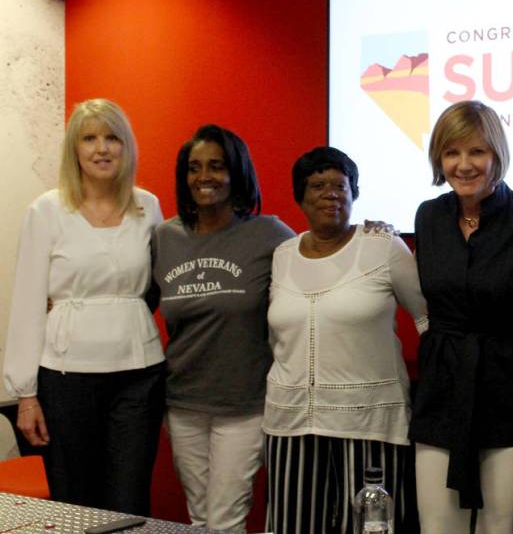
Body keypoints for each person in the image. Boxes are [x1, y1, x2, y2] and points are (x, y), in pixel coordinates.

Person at [411, 100, 513, 534]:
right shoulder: (428, 217)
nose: (463, 164)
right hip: (443, 392)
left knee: (500, 527)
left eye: (476, 152)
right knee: (437, 526)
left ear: (496, 154)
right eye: (451, 153)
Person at [3, 99, 165, 514]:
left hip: (138, 375)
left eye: (112, 138)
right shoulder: (47, 210)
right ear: (74, 149)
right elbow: (26, 303)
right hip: (65, 377)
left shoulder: (147, 207)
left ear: (126, 147)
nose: (102, 149)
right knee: (76, 500)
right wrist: (26, 394)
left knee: (129, 500)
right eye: (89, 139)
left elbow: (156, 288)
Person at [263, 146, 427, 534]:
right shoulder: (282, 255)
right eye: (318, 185)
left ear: (354, 193)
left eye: (341, 185)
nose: (331, 193)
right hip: (290, 423)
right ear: (300, 197)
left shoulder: (383, 245)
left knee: (372, 527)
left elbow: (427, 319)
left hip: (370, 422)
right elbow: (278, 336)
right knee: (293, 526)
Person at [151, 124, 295, 532]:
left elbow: (318, 263)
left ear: (237, 173)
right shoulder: (165, 237)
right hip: (182, 401)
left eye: (216, 166)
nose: (204, 177)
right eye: (194, 168)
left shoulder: (268, 234)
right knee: (199, 519)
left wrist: (372, 234)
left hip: (245, 404)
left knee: (225, 517)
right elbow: (134, 297)